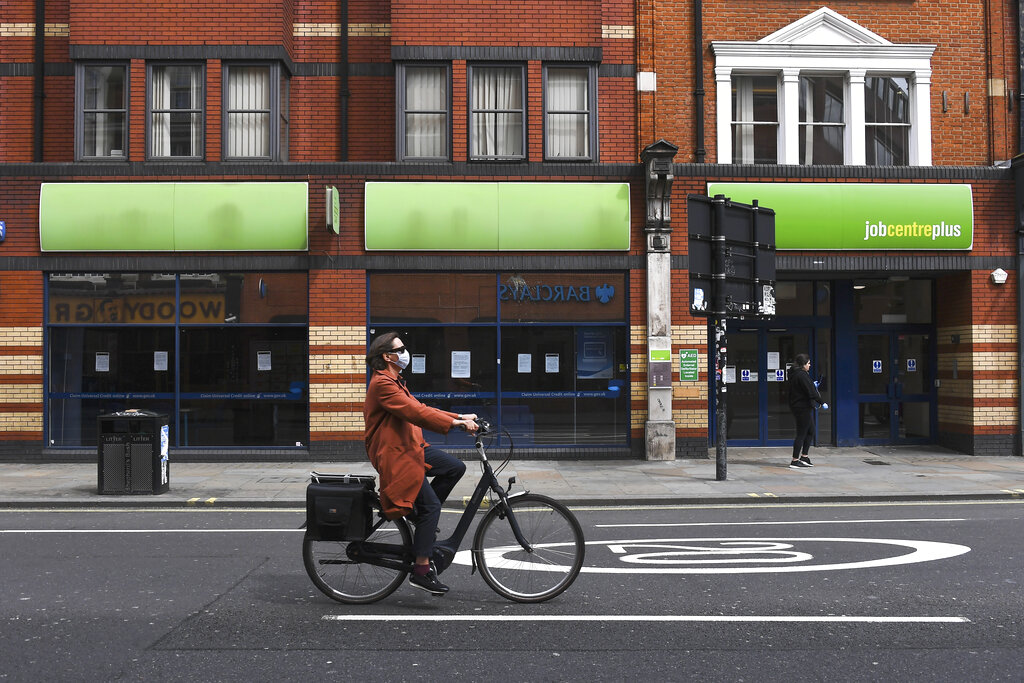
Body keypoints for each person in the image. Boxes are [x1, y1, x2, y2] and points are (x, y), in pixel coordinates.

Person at [363, 332, 478, 596]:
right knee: (432, 507)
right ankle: (421, 571)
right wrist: (455, 424)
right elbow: (415, 413)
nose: (405, 353)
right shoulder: (382, 384)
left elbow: (420, 406)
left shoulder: (395, 381)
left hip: (411, 448)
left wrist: (458, 415)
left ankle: (420, 514)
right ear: (387, 356)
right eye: (400, 349)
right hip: (396, 455)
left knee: (454, 467)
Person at [787, 353, 827, 469]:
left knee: (811, 431)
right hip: (802, 407)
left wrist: (812, 385)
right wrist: (821, 401)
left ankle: (804, 456)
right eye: (808, 363)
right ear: (803, 364)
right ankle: (795, 460)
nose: (810, 365)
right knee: (801, 433)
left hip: (800, 406)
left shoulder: (796, 374)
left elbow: (806, 388)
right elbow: (811, 391)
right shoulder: (802, 375)